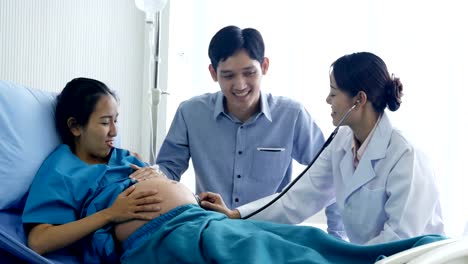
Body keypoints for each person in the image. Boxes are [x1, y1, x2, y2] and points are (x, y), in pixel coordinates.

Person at [22, 77, 446, 264]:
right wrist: (111, 215)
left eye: (117, 119)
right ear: (75, 127)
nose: (116, 131)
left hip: (197, 218)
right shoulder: (60, 169)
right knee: (271, 254)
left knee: (302, 237)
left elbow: (302, 195)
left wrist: (177, 189)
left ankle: (418, 254)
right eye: (104, 123)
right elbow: (39, 240)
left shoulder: (119, 156)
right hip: (166, 236)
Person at [200, 52, 445, 245]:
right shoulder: (340, 144)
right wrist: (237, 216)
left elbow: (400, 239)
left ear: (359, 100)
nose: (328, 100)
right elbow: (297, 198)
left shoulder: (406, 156)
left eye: (333, 92)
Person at [155, 25, 325, 209]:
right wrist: (149, 173)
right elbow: (168, 170)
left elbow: (327, 174)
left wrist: (337, 234)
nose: (240, 85)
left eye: (249, 73)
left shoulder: (292, 115)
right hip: (212, 227)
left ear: (265, 66)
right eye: (228, 76)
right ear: (213, 73)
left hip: (270, 231)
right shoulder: (190, 113)